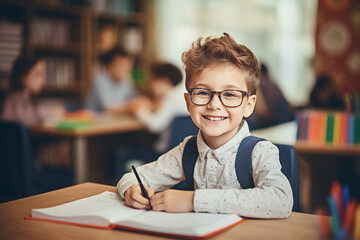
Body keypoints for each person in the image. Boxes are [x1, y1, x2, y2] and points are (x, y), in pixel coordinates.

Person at [117, 33, 293, 219]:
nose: (214, 104)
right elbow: (135, 176)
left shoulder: (259, 152)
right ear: (188, 102)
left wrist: (192, 200)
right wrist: (131, 189)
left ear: (249, 105)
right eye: (202, 92)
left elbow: (281, 199)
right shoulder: (187, 151)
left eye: (230, 94)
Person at [111, 62, 189, 182]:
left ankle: (118, 188)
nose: (151, 85)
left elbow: (155, 125)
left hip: (164, 152)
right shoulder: (181, 96)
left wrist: (138, 110)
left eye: (153, 80)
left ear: (163, 80)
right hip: (180, 153)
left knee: (121, 152)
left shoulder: (171, 97)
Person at [86, 47, 137, 113]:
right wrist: (131, 106)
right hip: (93, 122)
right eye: (121, 65)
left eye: (127, 65)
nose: (126, 69)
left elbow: (133, 99)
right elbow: (108, 108)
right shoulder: (100, 81)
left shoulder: (126, 81)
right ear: (109, 66)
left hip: (114, 121)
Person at [246, 63, 294, 130]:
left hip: (268, 122)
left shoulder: (256, 84)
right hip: (283, 122)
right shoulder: (273, 83)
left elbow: (262, 110)